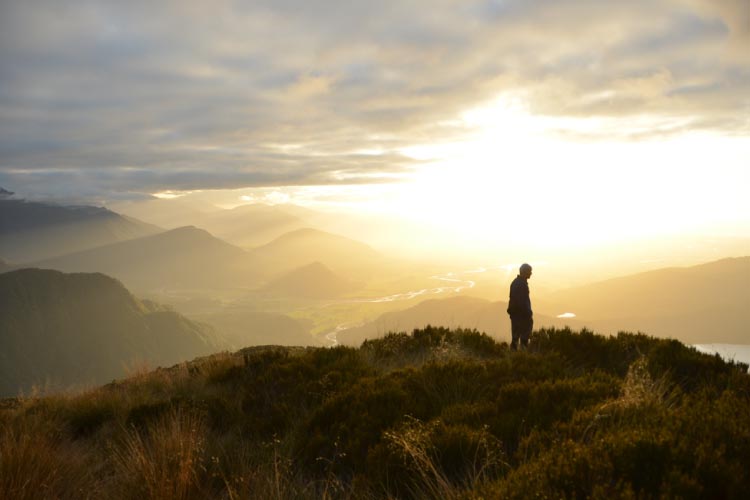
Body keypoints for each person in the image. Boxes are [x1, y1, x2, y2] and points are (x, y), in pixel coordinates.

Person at [507, 263, 533, 351]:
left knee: (515, 338)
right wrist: (528, 313)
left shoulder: (515, 283)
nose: (531, 273)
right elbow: (523, 302)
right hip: (522, 316)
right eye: (529, 271)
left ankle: (513, 356)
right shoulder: (522, 285)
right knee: (524, 339)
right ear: (525, 272)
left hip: (515, 315)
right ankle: (523, 357)